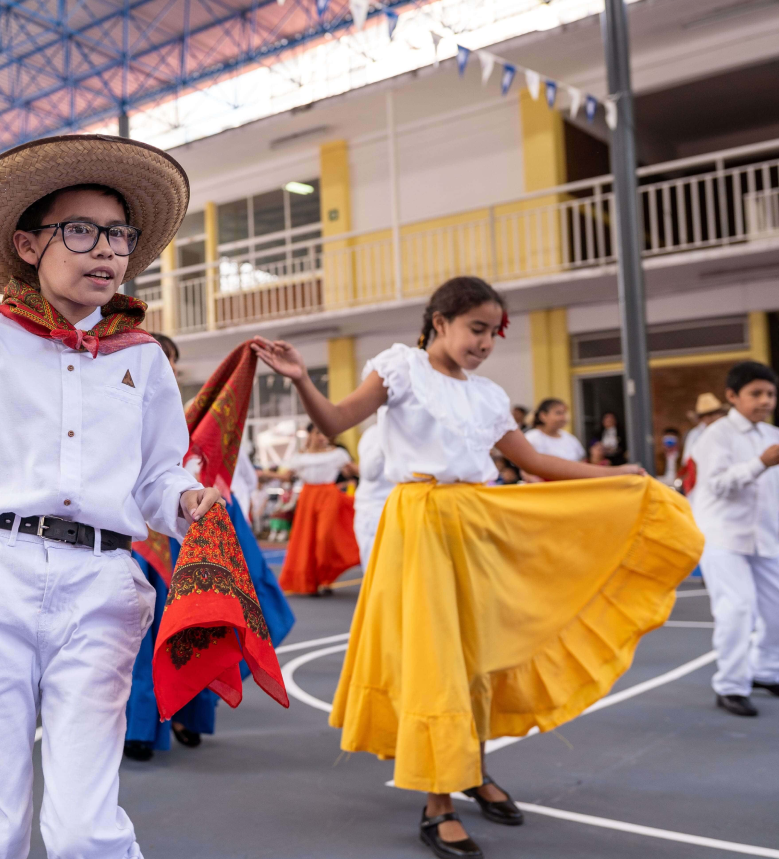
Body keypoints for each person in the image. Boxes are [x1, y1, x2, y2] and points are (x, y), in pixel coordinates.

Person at [252, 275, 701, 859]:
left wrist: (619, 475)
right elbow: (337, 421)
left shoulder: (488, 395)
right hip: (421, 527)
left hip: (480, 526)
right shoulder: (399, 368)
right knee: (437, 660)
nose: (486, 343)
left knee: (479, 655)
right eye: (476, 329)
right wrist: (300, 380)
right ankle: (437, 802)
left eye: (494, 332)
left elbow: (536, 461)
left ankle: (472, 769)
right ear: (440, 322)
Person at [0, 134, 220, 859]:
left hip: (103, 585)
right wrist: (9, 508)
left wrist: (184, 501)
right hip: (0, 573)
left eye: (118, 234)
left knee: (85, 825)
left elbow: (158, 475)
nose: (105, 250)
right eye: (79, 230)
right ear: (27, 243)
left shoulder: (142, 356)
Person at [124, 335, 294, 762]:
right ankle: (141, 725)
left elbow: (227, 469)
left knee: (199, 622)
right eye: (163, 359)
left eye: (172, 362)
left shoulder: (189, 420)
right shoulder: (118, 409)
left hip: (188, 530)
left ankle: (189, 712)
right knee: (145, 635)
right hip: (141, 542)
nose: (168, 368)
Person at [690, 361, 779, 718]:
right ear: (732, 396)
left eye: (770, 394)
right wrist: (759, 463)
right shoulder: (716, 435)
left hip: (766, 537)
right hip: (724, 536)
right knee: (737, 608)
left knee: (776, 612)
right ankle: (730, 685)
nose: (765, 401)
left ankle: (766, 670)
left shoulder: (771, 434)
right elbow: (716, 485)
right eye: (755, 393)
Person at [266, 424, 359, 595]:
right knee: (307, 539)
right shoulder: (299, 457)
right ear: (309, 435)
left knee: (325, 537)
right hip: (308, 497)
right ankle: (313, 582)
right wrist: (261, 475)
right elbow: (286, 476)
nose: (322, 437)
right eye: (318, 433)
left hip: (329, 495)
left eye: (324, 433)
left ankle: (325, 578)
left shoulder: (338, 454)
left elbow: (354, 471)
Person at [351, 421, 393, 573]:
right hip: (374, 509)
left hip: (403, 506)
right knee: (374, 568)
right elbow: (369, 472)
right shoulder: (374, 434)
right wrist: (387, 432)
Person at [683, 392, 728, 466]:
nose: (720, 416)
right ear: (706, 417)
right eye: (717, 413)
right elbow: (688, 459)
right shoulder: (696, 434)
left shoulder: (724, 431)